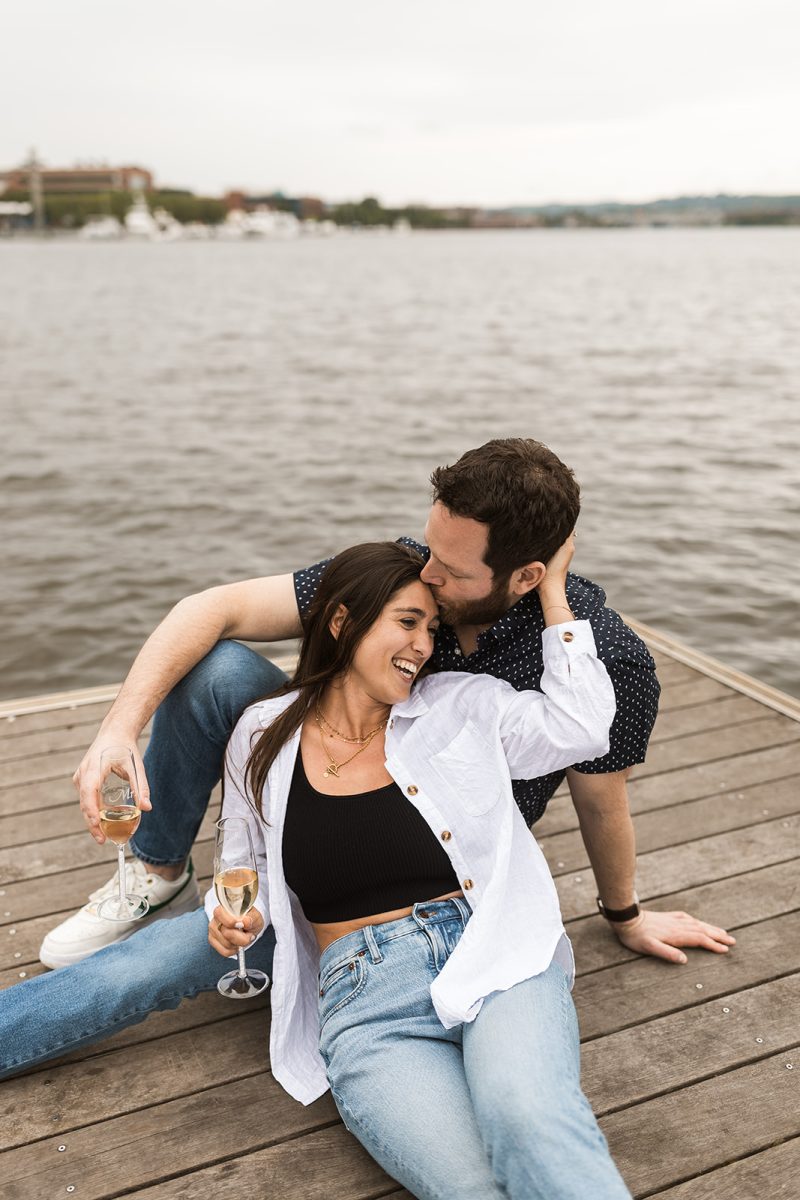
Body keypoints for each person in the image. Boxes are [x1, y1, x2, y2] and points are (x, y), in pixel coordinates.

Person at [2, 540, 631, 1200]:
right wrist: (234, 917)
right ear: (341, 623)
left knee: (529, 1122)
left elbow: (582, 729)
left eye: (432, 628)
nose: (424, 645)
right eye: (407, 622)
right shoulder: (263, 731)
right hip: (366, 998)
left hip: (491, 956)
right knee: (471, 1185)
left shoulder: (460, 705)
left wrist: (554, 589)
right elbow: (243, 862)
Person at [43, 438, 734, 968]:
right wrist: (118, 730)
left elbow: (601, 798)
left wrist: (625, 915)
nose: (427, 575)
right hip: (320, 787)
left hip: (429, 858)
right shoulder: (407, 575)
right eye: (431, 548)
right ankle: (160, 871)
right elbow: (214, 607)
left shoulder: (606, 659)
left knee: (164, 969)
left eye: (452, 571)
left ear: (528, 575)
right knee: (218, 670)